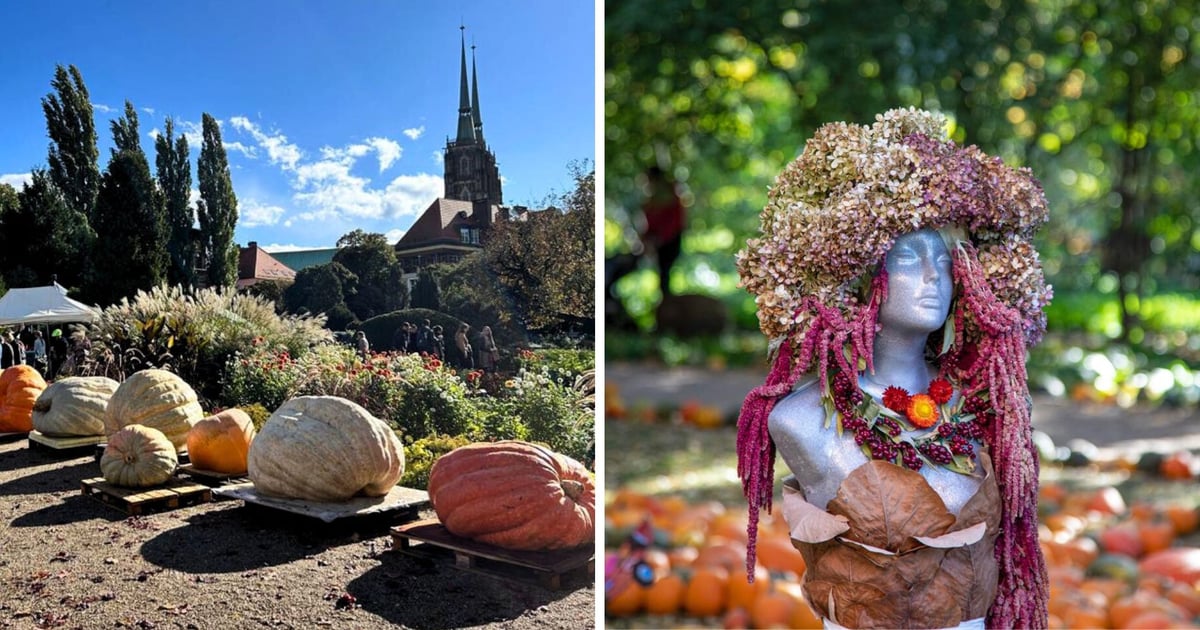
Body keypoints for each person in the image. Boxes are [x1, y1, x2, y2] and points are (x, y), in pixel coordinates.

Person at [736, 108, 1052, 629]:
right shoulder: (799, 418)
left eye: (946, 261)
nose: (934, 276)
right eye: (908, 259)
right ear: (856, 279)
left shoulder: (986, 408)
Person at [639, 165, 686, 297]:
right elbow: (650, 223)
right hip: (659, 241)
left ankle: (667, 300)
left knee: (665, 272)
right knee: (662, 273)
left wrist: (660, 238)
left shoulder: (669, 194)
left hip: (670, 240)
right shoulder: (652, 197)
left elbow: (674, 221)